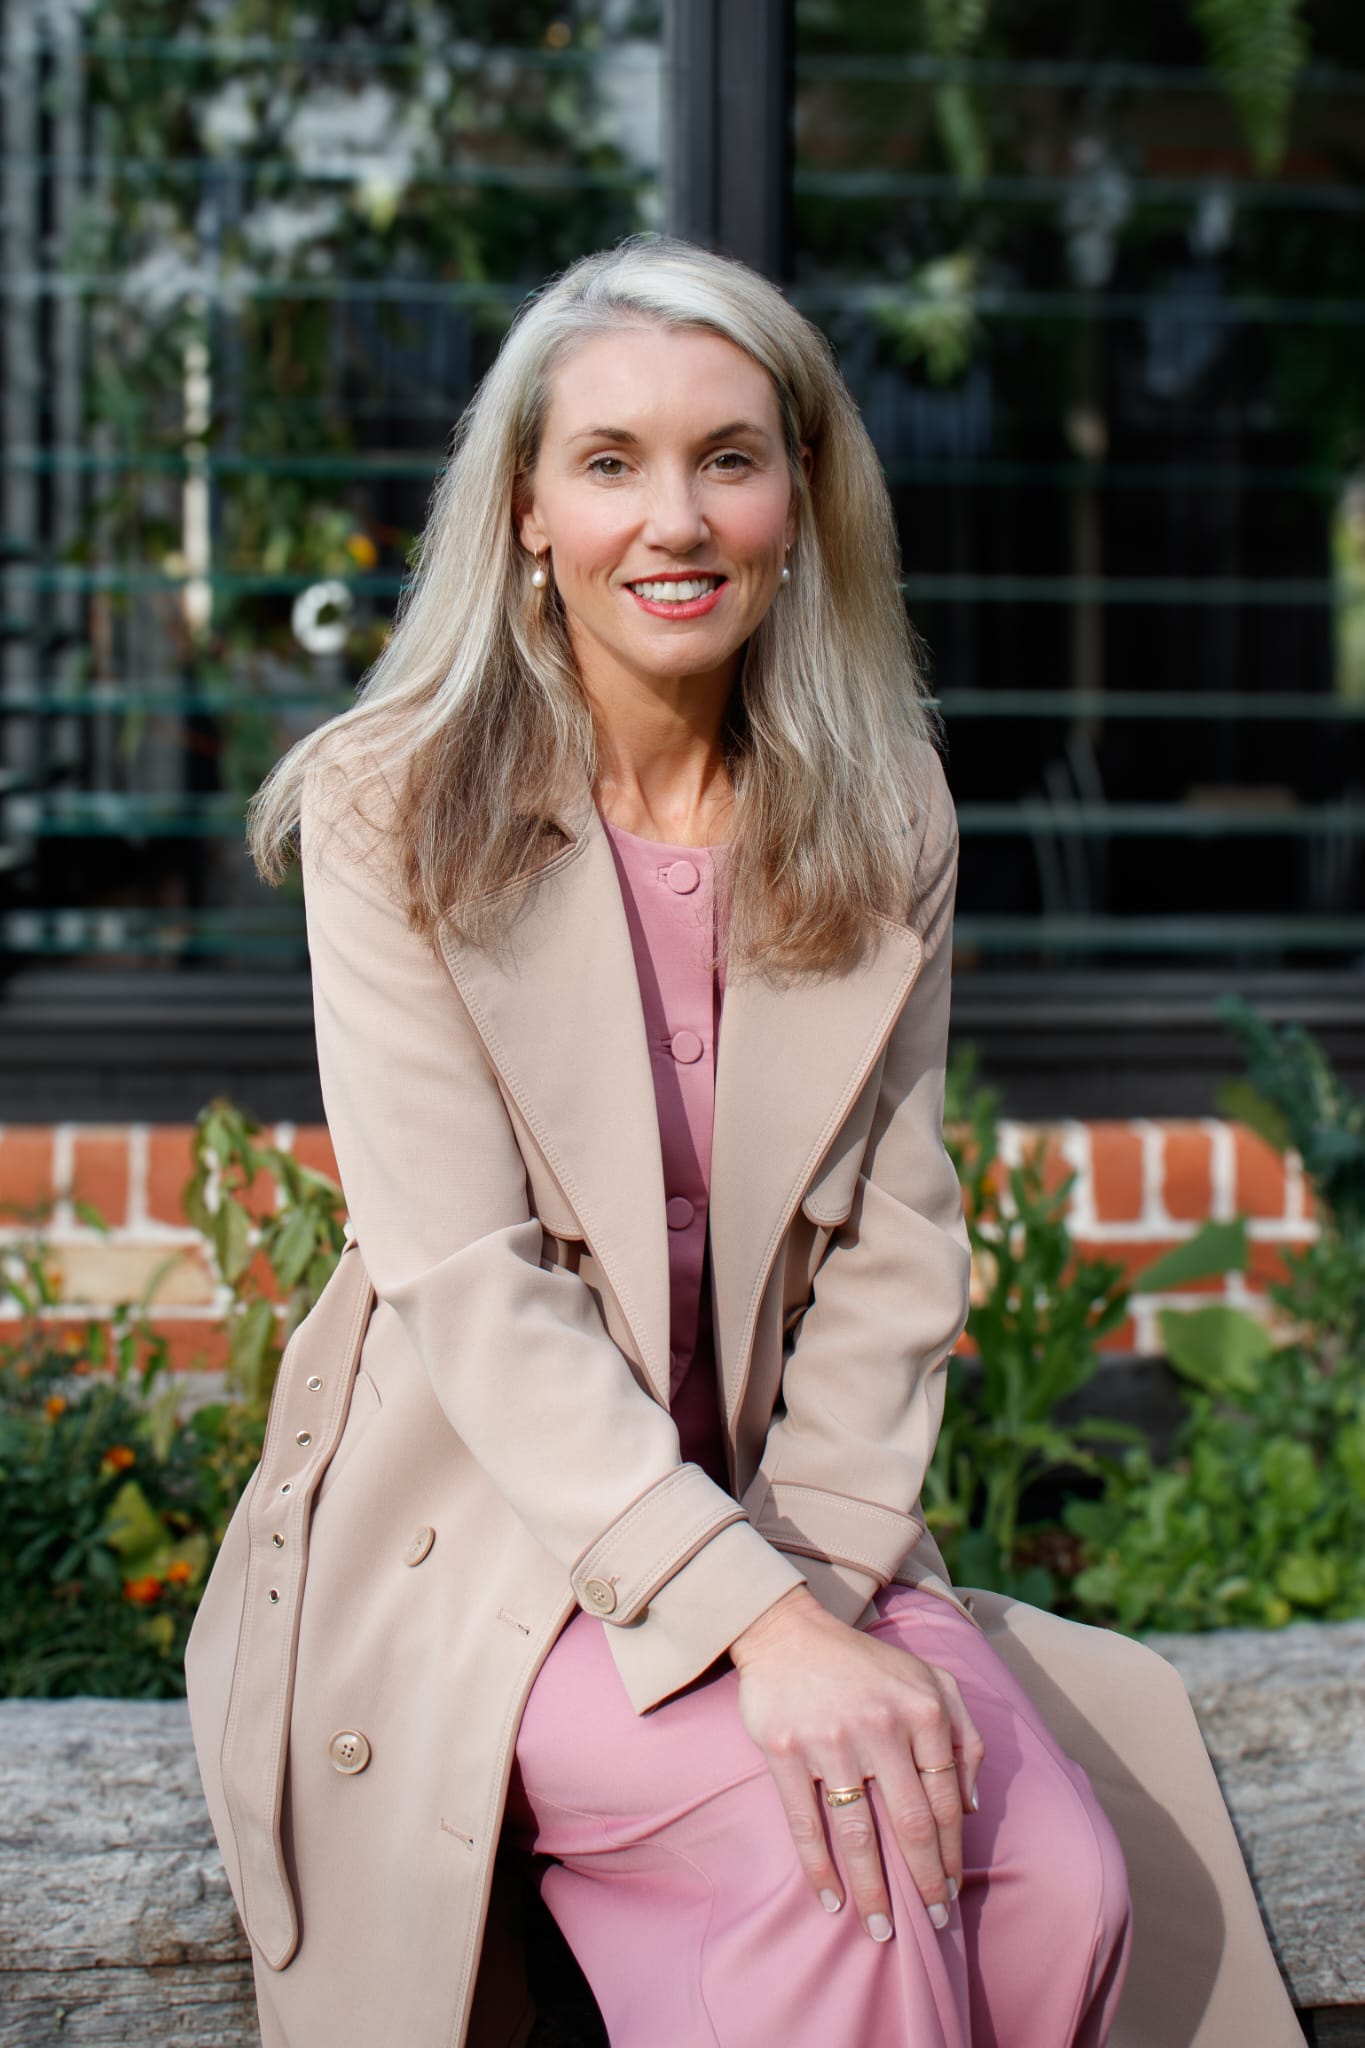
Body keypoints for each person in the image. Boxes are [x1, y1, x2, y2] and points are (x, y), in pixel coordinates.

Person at [185, 236, 1305, 2048]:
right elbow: (468, 1283)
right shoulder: (389, 804)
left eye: (728, 458)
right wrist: (756, 1634)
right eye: (609, 462)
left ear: (800, 498)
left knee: (1055, 1881)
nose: (676, 519)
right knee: (839, 1869)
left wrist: (818, 1588)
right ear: (526, 511)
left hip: (798, 1520)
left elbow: (895, 1241)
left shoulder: (883, 805)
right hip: (492, 1546)